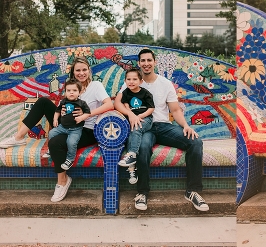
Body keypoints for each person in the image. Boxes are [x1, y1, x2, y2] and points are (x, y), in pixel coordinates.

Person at [0, 56, 114, 202]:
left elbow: (109, 105)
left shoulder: (96, 85)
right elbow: (61, 106)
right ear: (73, 72)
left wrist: (87, 114)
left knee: (55, 142)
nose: (81, 73)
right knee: (43, 102)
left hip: (85, 129)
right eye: (78, 70)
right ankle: (18, 138)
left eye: (84, 70)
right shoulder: (71, 86)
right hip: (67, 123)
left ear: (89, 71)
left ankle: (63, 180)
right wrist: (58, 116)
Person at [114, 49, 207, 212]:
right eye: (143, 60)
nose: (146, 63)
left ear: (154, 62)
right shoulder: (132, 81)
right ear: (139, 63)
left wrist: (185, 125)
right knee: (142, 148)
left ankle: (193, 191)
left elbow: (176, 110)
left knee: (195, 142)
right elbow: (117, 103)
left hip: (163, 126)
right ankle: (142, 192)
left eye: (149, 60)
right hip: (144, 127)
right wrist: (130, 114)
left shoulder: (165, 83)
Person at [116, 68, 155, 179]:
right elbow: (125, 103)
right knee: (131, 138)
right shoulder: (126, 92)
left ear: (140, 81)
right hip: (132, 120)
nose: (131, 81)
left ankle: (132, 154)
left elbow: (151, 108)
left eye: (134, 79)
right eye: (128, 79)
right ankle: (132, 170)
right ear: (125, 81)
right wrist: (129, 111)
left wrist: (139, 117)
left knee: (136, 128)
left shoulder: (145, 93)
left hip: (145, 119)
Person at [48, 79, 92, 171]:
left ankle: (70, 159)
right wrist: (55, 119)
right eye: (69, 90)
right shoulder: (63, 101)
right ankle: (51, 150)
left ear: (79, 92)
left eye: (74, 90)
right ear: (65, 92)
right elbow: (57, 111)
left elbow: (88, 113)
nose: (71, 93)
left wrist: (81, 117)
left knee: (71, 143)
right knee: (51, 133)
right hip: (62, 127)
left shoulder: (82, 103)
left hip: (75, 129)